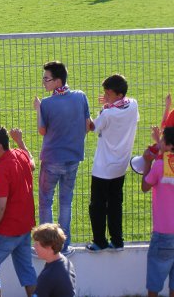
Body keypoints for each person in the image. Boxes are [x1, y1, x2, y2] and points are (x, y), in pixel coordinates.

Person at [34, 61, 91, 256]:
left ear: (57, 81)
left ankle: (46, 245)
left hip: (52, 159)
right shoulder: (81, 96)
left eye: (46, 79)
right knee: (66, 202)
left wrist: (38, 109)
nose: (43, 82)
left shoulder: (47, 103)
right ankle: (64, 247)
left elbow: (42, 130)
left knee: (45, 202)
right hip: (73, 159)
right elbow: (87, 126)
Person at [0, 126, 37, 297]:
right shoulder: (20, 154)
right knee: (26, 269)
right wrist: (20, 141)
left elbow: (0, 205)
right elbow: (32, 164)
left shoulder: (1, 170)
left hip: (8, 230)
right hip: (25, 227)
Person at [86, 74, 139, 252]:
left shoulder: (108, 114)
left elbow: (93, 127)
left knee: (97, 206)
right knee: (115, 204)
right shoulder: (133, 105)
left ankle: (99, 241)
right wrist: (109, 104)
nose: (105, 96)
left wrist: (91, 113)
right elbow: (123, 110)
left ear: (119, 95)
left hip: (103, 168)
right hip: (121, 166)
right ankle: (117, 241)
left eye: (108, 94)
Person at [141, 126, 174, 297]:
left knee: (154, 278)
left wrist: (147, 162)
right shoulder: (162, 164)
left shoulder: (159, 166)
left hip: (163, 234)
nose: (159, 142)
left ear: (169, 146)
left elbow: (145, 187)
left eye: (162, 140)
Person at [32, 223, 76, 297]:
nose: (34, 247)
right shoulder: (66, 262)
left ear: (49, 246)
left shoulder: (48, 276)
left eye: (37, 244)